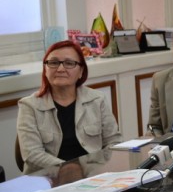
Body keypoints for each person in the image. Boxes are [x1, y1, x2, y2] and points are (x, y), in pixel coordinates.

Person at [17, 40, 122, 174]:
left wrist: (99, 170)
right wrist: (69, 170)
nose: (60, 69)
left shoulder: (97, 99)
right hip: (46, 180)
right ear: (45, 69)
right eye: (54, 63)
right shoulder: (29, 105)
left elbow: (114, 142)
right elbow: (32, 155)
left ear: (81, 71)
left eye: (69, 63)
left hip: (94, 176)